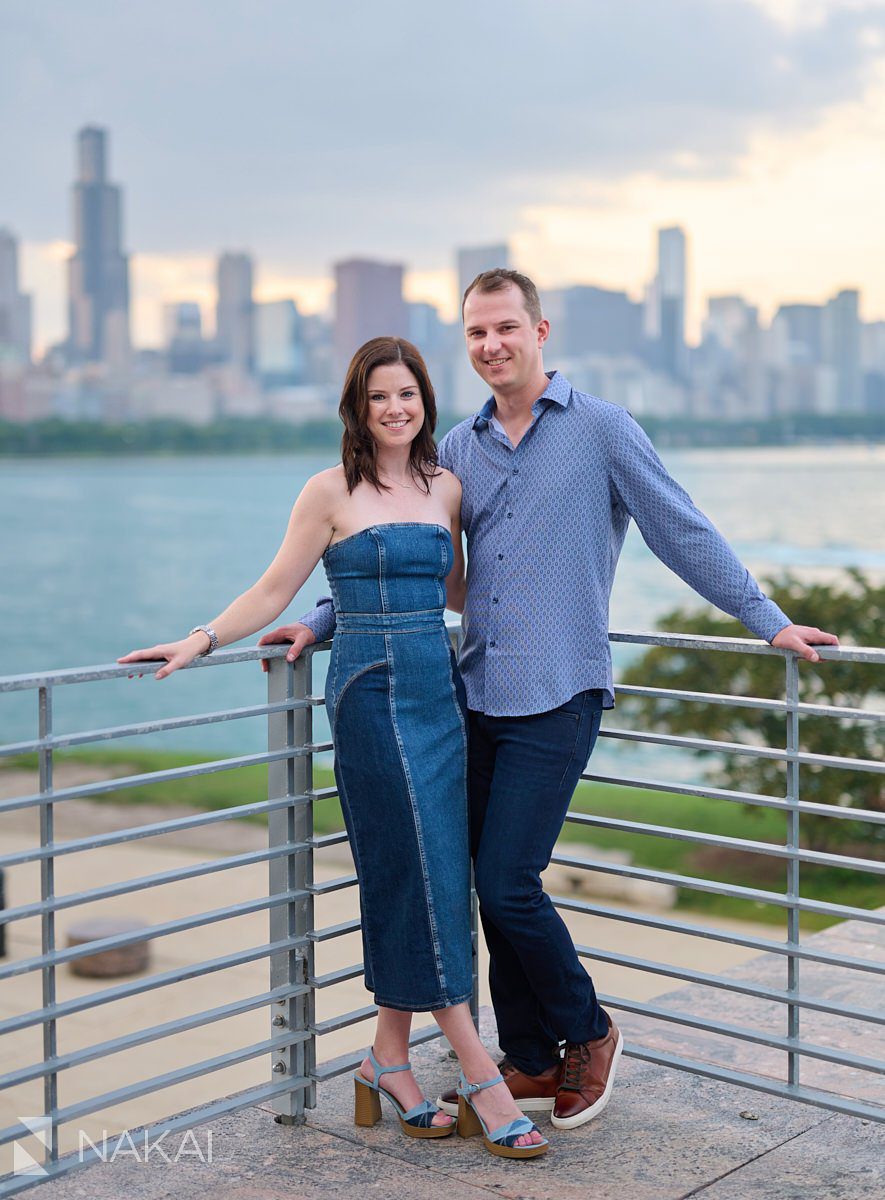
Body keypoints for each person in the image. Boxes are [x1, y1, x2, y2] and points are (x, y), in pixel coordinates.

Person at [267, 270, 839, 1132]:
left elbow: (680, 529)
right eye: (474, 334)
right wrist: (319, 619)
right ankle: (529, 1057)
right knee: (478, 882)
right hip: (472, 699)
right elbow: (404, 553)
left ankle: (589, 1030)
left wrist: (767, 621)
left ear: (540, 331)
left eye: (504, 327)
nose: (490, 345)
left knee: (507, 881)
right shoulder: (454, 448)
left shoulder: (603, 431)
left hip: (559, 691)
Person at [118, 335, 547, 1159]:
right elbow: (275, 587)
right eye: (380, 396)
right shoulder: (328, 491)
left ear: (425, 403)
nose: (396, 408)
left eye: (409, 395)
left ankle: (387, 1058)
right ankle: (478, 1071)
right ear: (357, 407)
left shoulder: (446, 486)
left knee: (424, 872)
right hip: (368, 696)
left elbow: (458, 589)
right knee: (419, 869)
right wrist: (200, 639)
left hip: (438, 695)